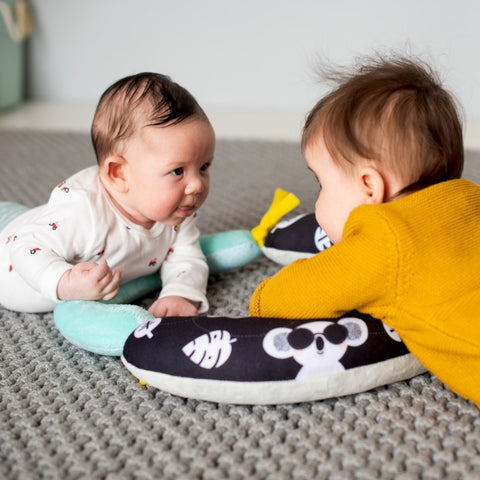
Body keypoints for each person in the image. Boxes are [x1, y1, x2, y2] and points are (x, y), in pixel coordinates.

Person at [249, 55, 480, 407]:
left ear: (369, 187)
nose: (319, 199)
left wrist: (261, 296)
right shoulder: (468, 196)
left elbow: (290, 296)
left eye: (321, 184)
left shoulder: (385, 238)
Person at [0, 72, 215, 317]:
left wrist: (180, 293)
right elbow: (25, 246)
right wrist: (65, 281)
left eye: (204, 167)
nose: (196, 185)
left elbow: (187, 257)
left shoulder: (178, 211)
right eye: (178, 171)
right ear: (119, 173)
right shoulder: (83, 211)